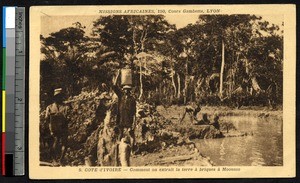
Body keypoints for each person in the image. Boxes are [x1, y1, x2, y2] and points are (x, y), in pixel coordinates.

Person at [112, 70, 137, 166]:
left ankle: (132, 149)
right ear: (123, 90)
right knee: (119, 135)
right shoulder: (121, 96)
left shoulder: (132, 100)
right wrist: (118, 75)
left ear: (129, 91)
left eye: (128, 89)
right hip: (121, 119)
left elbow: (134, 113)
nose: (126, 91)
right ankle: (118, 153)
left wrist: (134, 123)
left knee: (131, 134)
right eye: (125, 89)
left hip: (129, 120)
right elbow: (114, 87)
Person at [45, 88, 69, 166]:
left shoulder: (66, 107)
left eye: (60, 96)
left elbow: (69, 117)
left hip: (64, 127)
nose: (59, 98)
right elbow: (47, 119)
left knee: (64, 144)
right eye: (57, 96)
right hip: (54, 128)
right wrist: (51, 129)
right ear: (54, 97)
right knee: (56, 142)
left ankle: (61, 160)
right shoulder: (50, 107)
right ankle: (54, 160)